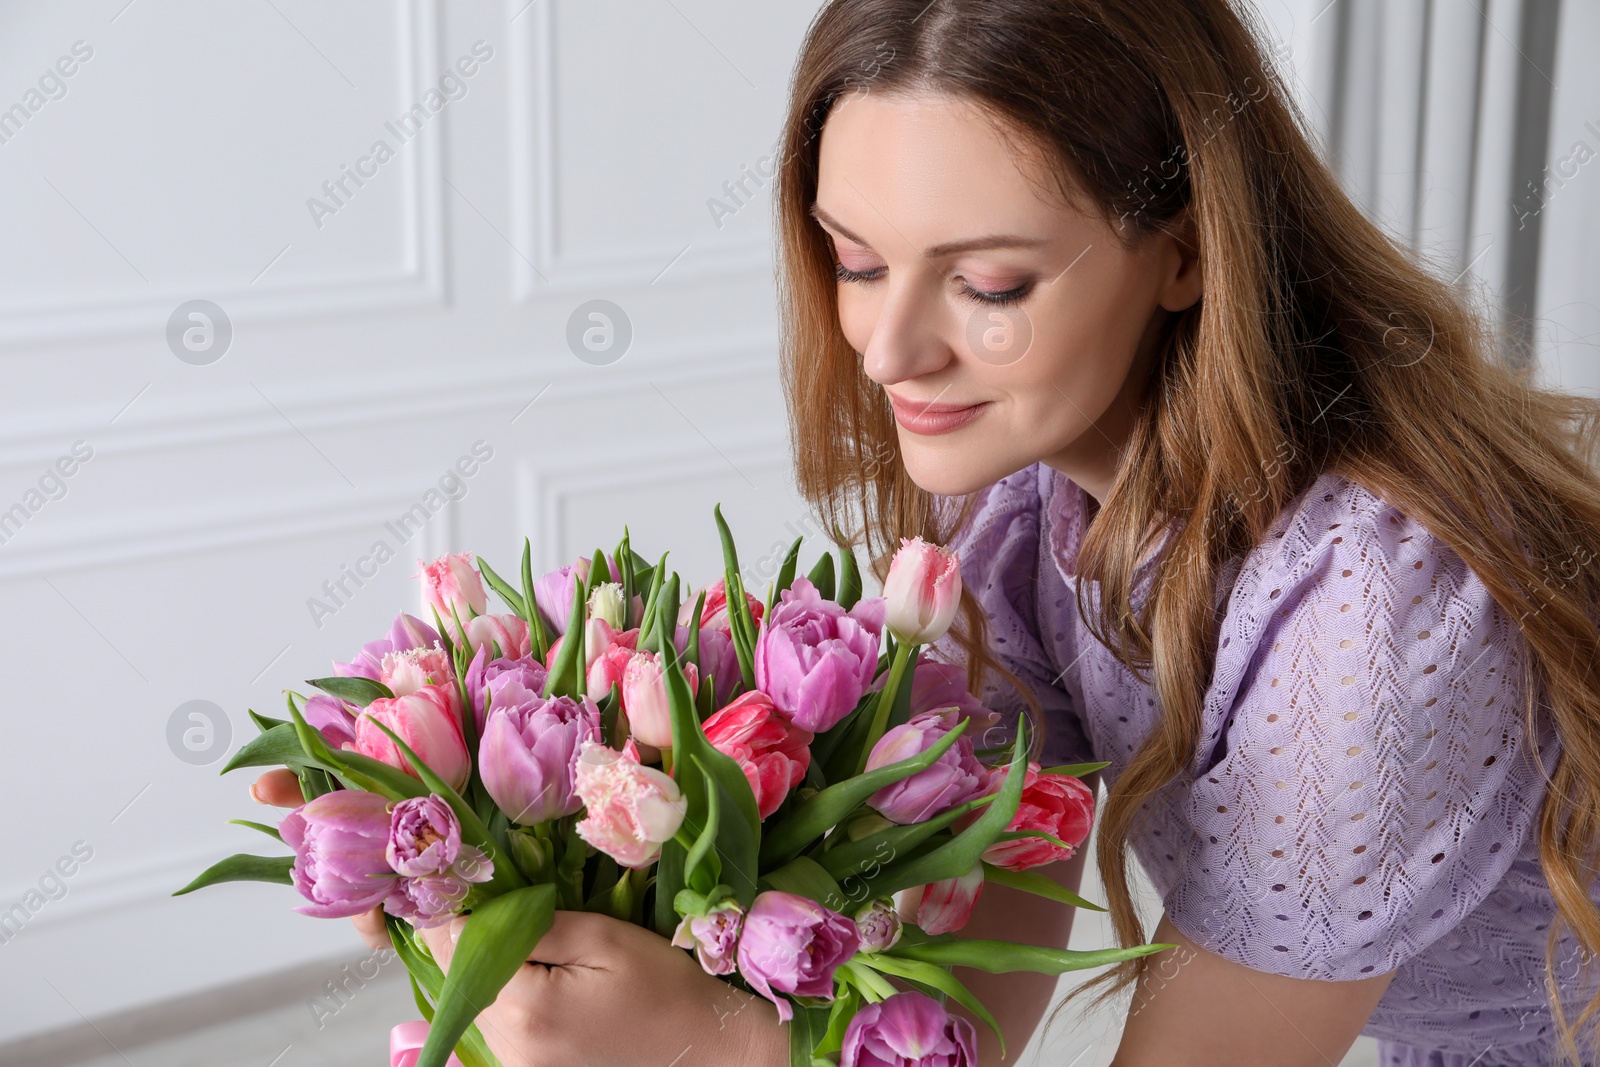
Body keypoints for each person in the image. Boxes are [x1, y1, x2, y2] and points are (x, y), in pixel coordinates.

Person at [261, 0, 1600, 1063]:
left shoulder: (1369, 614)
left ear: (1187, 253)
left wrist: (718, 1051)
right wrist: (496, 873)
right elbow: (965, 1022)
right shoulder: (1017, 516)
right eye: (853, 259)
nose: (892, 348)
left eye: (989, 283)